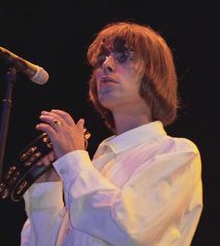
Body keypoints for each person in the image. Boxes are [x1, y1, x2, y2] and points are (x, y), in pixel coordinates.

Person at [21, 22, 203, 245]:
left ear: (155, 73)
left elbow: (130, 229)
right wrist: (47, 186)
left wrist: (73, 159)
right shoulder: (94, 165)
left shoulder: (176, 153)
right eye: (101, 59)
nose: (106, 65)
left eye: (124, 56)